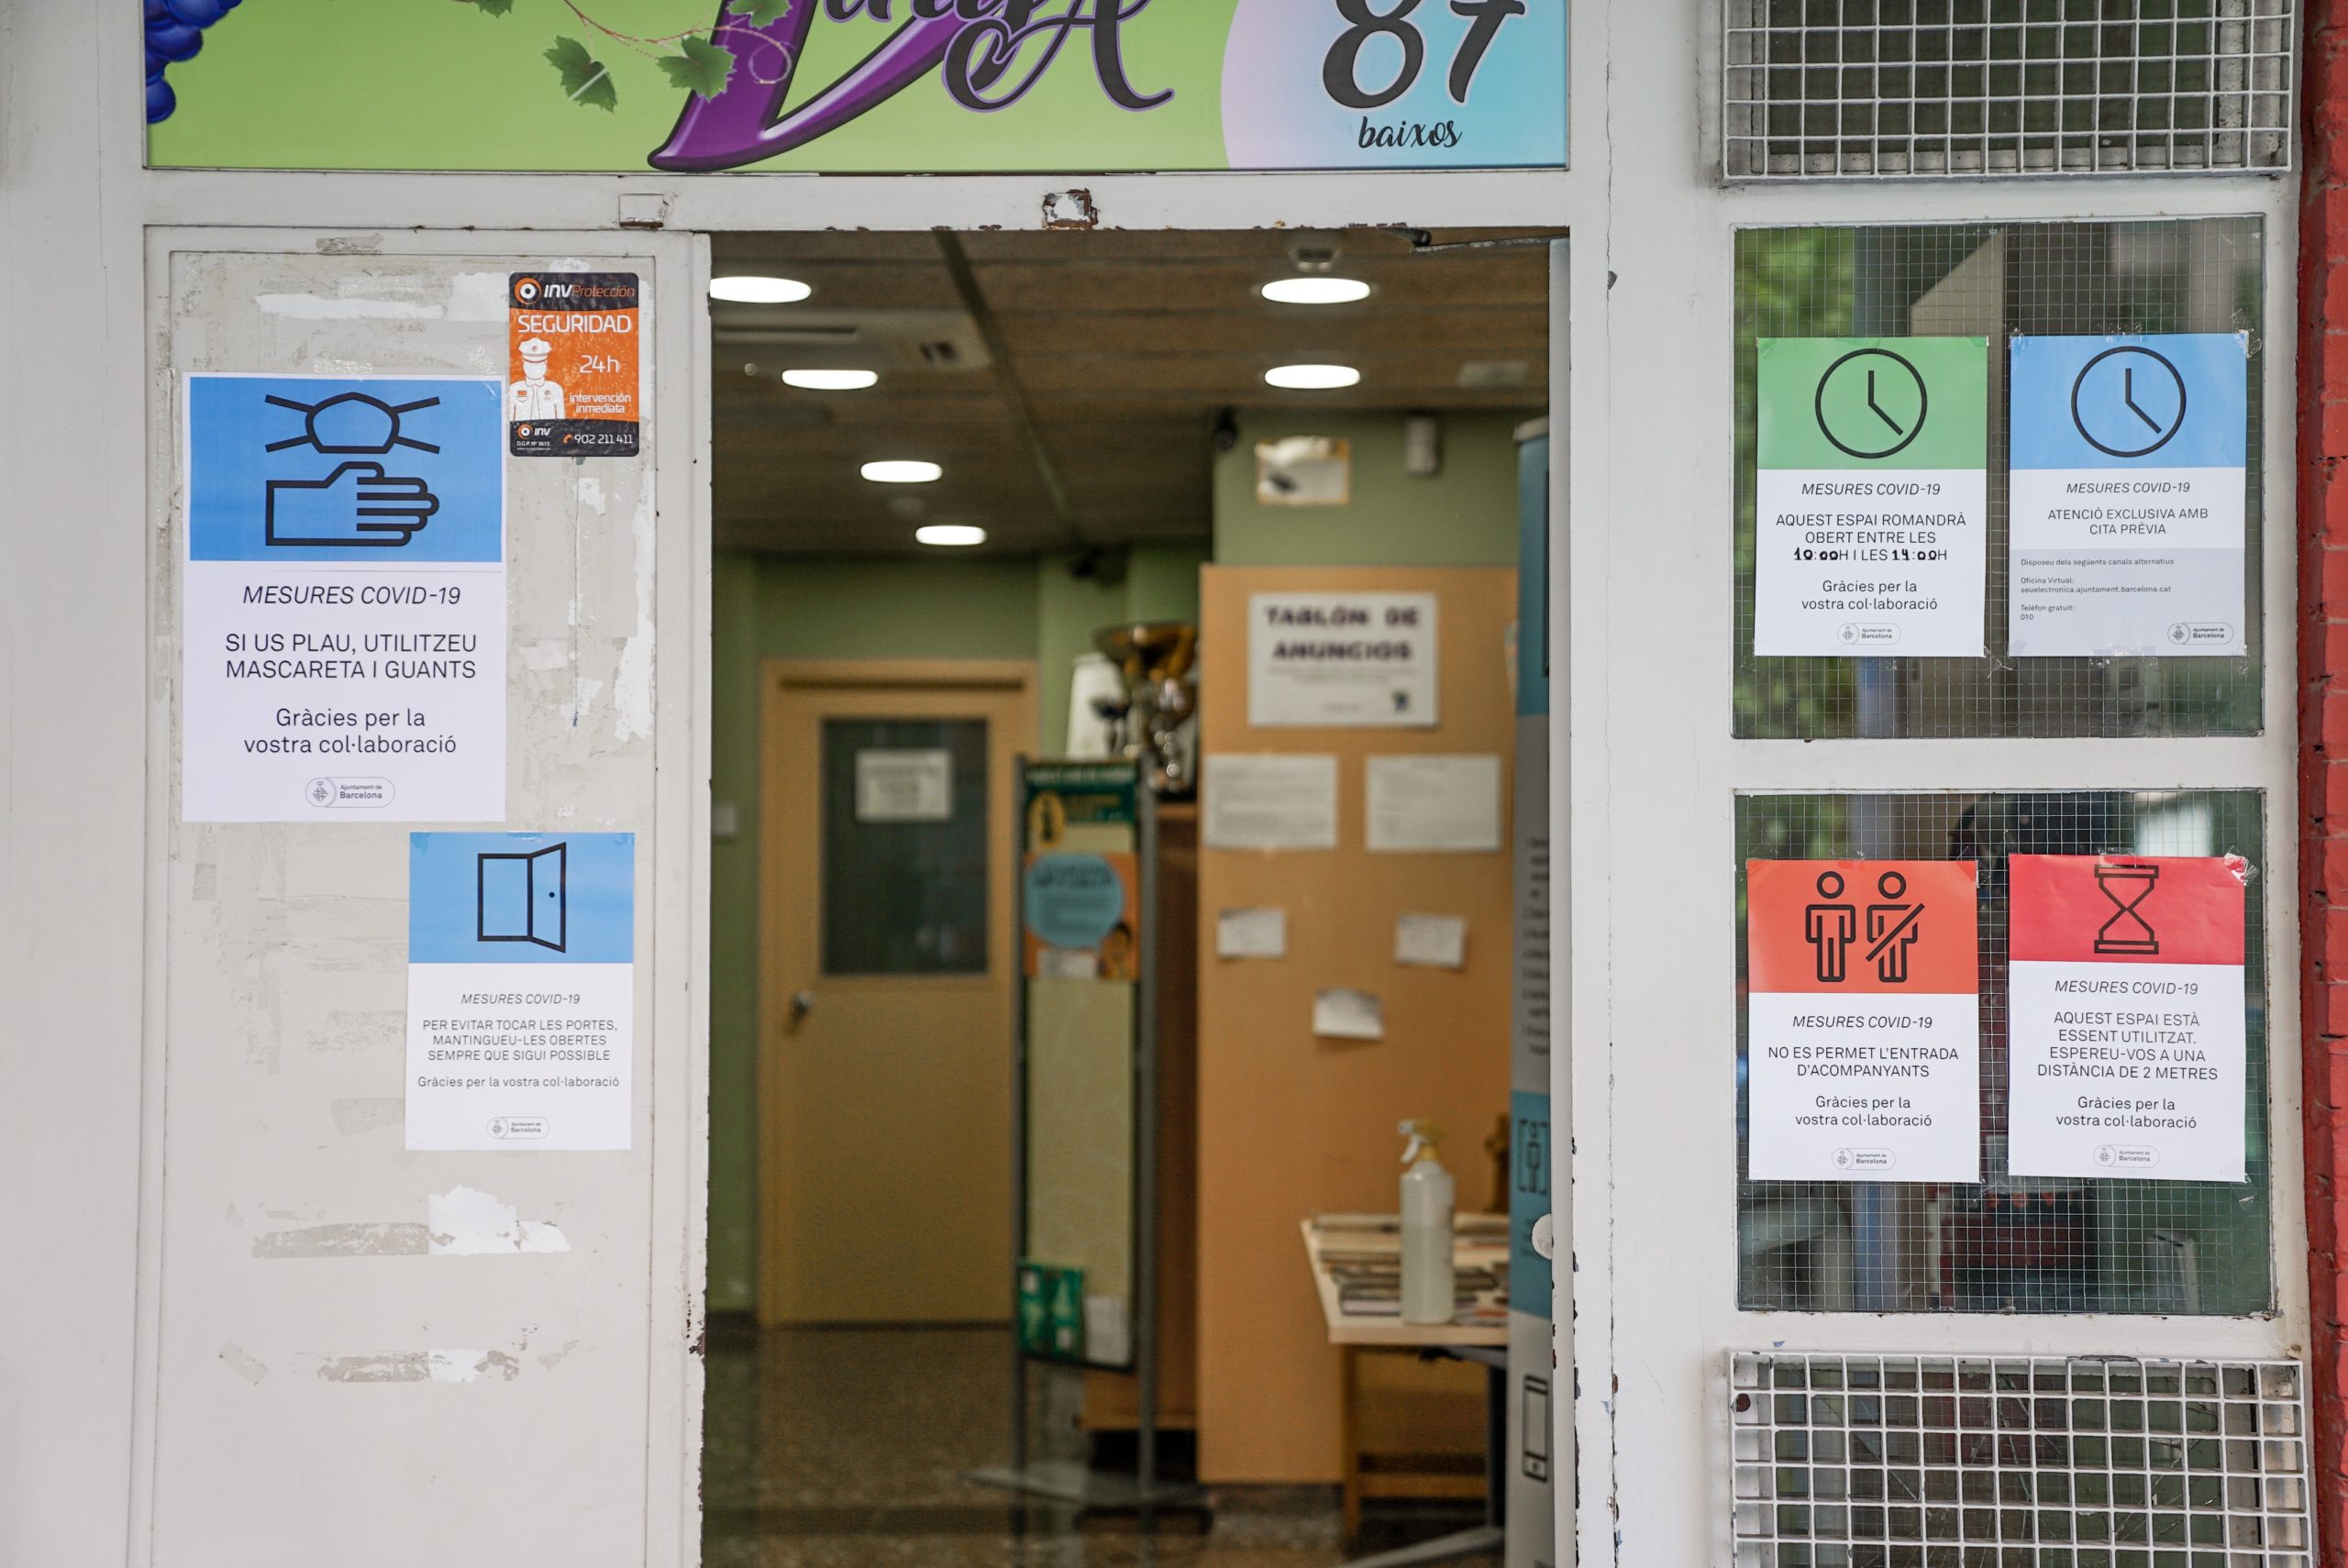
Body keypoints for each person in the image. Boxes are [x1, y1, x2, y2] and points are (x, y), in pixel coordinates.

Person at [508, 337, 566, 421]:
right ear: (523, 362)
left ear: (545, 363)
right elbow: (508, 419)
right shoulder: (514, 389)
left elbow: (561, 420)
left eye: (539, 363)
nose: (534, 368)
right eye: (530, 363)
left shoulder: (555, 389)